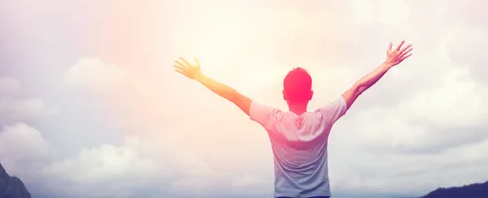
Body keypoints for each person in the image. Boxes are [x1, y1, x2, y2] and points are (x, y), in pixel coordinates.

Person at [173, 40, 413, 198]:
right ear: (310, 95)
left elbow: (234, 96)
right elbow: (358, 88)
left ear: (284, 95)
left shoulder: (272, 119)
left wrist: (199, 76)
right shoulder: (323, 118)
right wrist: (388, 62)